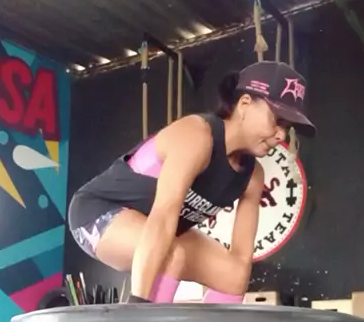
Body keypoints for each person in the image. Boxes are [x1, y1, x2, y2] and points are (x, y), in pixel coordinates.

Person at [68, 60, 316, 303]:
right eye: (277, 120)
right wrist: (138, 304)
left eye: (287, 127)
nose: (281, 135)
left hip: (159, 229)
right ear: (244, 104)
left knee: (232, 276)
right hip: (98, 212)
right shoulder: (198, 136)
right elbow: (163, 217)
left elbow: (241, 262)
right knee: (172, 254)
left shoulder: (253, 176)